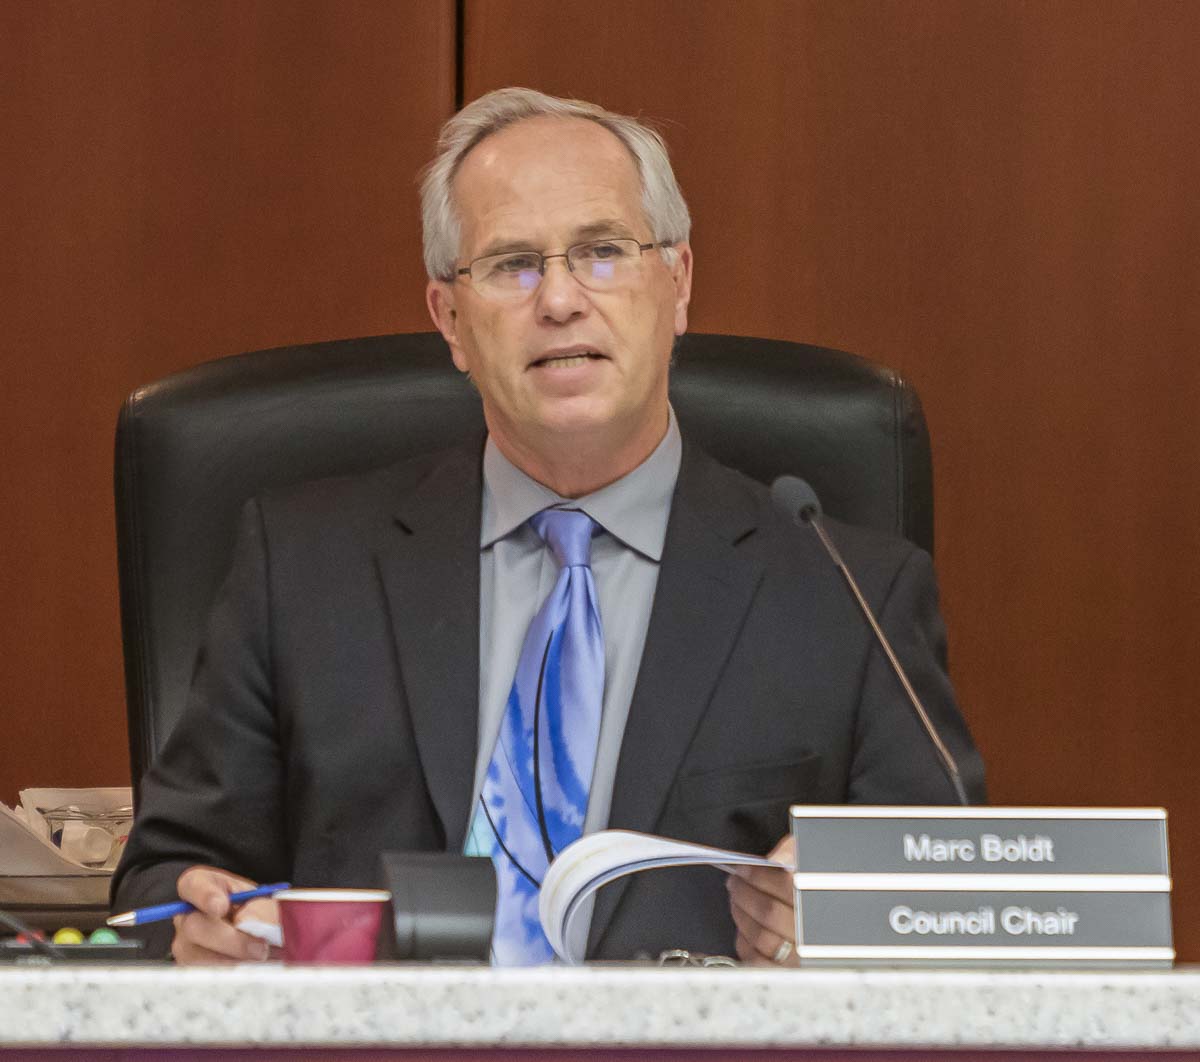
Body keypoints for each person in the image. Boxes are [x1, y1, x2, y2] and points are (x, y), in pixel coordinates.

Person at [112, 87, 985, 966]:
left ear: (678, 282)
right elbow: (161, 886)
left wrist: (849, 932)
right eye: (512, 264)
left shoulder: (847, 595)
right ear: (450, 320)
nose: (560, 299)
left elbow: (951, 915)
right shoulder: (302, 569)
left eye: (603, 252)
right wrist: (196, 930)